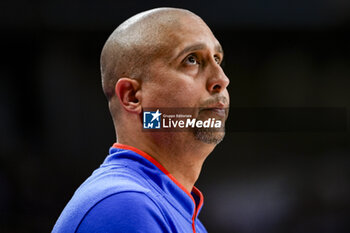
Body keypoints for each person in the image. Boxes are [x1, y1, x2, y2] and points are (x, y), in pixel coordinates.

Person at [52, 7, 229, 233]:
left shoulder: (171, 207)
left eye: (217, 59)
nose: (222, 79)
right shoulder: (124, 204)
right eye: (192, 59)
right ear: (132, 96)